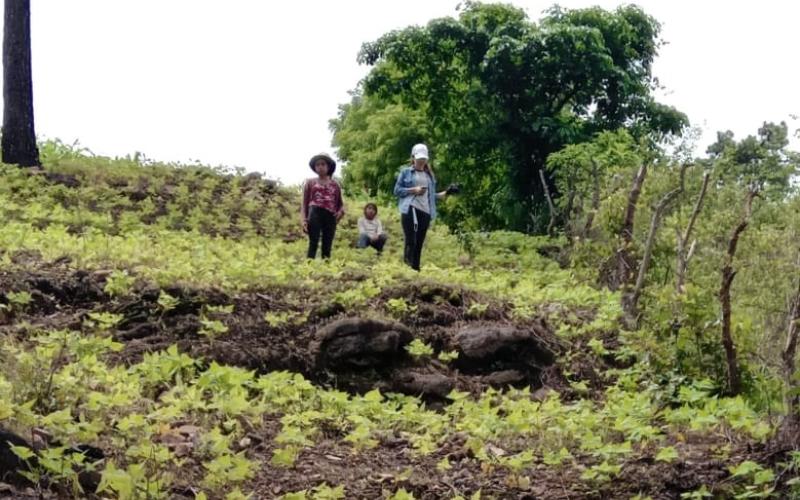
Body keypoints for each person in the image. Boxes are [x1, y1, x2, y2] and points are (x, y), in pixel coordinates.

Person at [393, 143, 449, 271]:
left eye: (424, 159)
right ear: (413, 158)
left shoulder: (429, 176)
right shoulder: (406, 172)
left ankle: (416, 269)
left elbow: (429, 195)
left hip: (425, 211)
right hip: (410, 208)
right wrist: (413, 190)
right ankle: (407, 269)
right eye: (419, 159)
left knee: (419, 242)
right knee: (410, 240)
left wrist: (443, 194)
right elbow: (397, 190)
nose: (421, 162)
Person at [301, 153, 344, 259]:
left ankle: (326, 271)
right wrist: (304, 220)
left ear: (328, 166)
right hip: (315, 212)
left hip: (330, 215)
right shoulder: (310, 183)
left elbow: (340, 204)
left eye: (323, 164)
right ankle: (308, 268)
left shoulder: (335, 185)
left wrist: (340, 213)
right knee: (313, 242)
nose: (320, 167)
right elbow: (304, 203)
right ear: (315, 168)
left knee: (327, 245)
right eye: (317, 165)